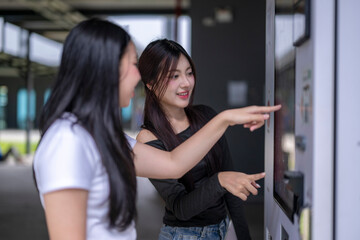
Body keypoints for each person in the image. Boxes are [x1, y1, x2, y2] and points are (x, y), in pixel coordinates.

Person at [33, 18, 281, 240]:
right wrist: (220, 165)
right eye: (133, 64)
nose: (138, 76)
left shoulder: (103, 136)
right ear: (105, 67)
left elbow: (173, 163)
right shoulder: (67, 140)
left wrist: (224, 119)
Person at [136, 39, 265, 240]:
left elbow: (231, 185)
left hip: (221, 230)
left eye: (189, 73)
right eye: (174, 76)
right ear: (151, 84)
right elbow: (180, 208)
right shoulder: (148, 138)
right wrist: (220, 181)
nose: (186, 83)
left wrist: (244, 236)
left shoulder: (206, 116)